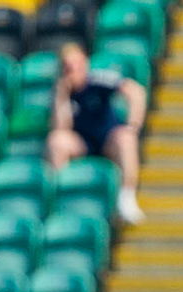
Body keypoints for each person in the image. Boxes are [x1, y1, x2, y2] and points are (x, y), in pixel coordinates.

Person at [47, 43, 147, 225]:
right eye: (67, 66)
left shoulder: (98, 80)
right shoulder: (61, 92)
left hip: (107, 139)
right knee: (56, 141)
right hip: (83, 143)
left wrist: (133, 125)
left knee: (126, 138)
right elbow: (61, 128)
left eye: (76, 64)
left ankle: (126, 198)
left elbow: (135, 91)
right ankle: (60, 200)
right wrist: (62, 95)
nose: (72, 70)